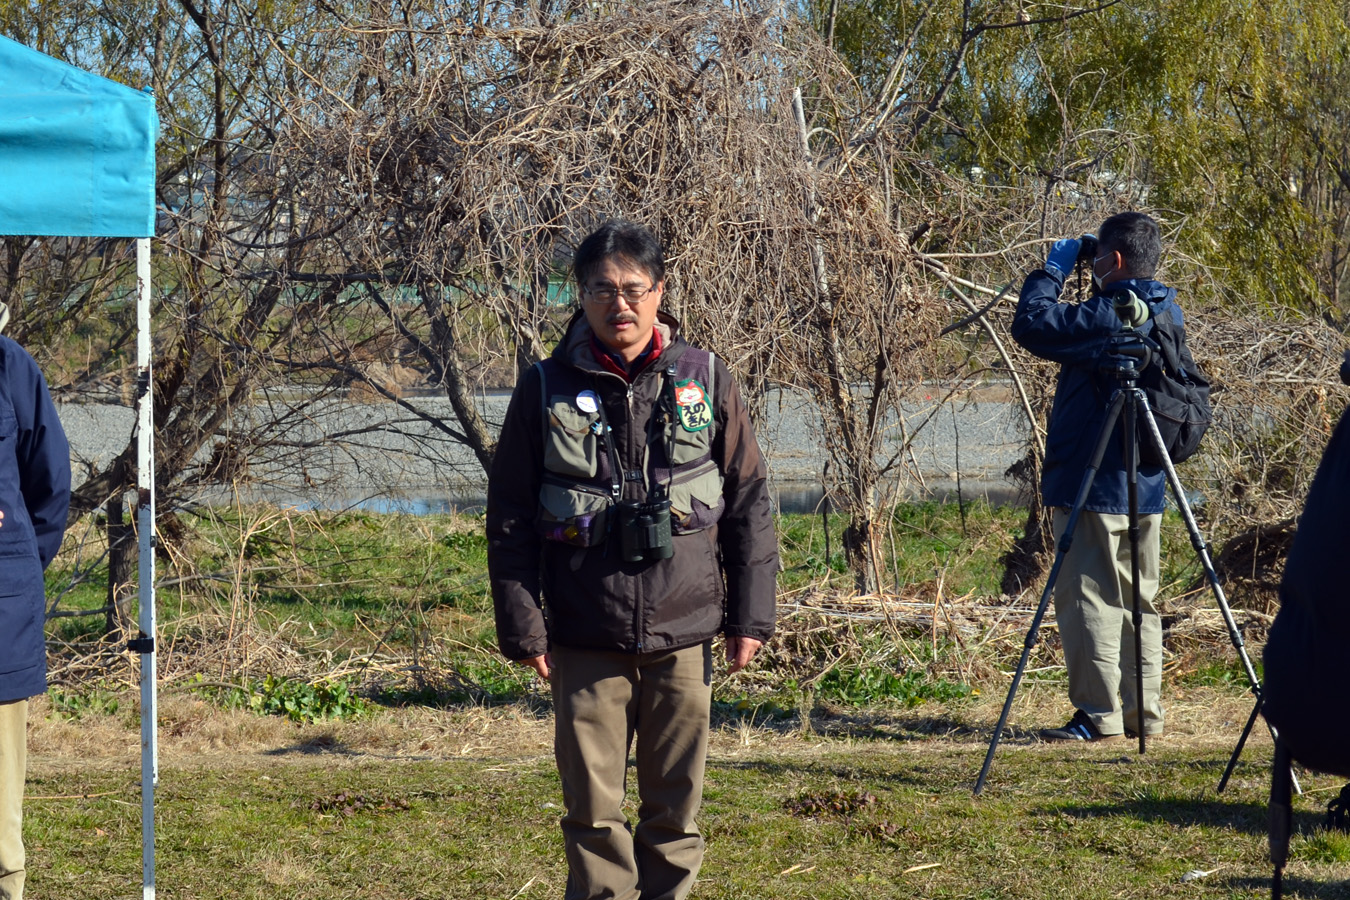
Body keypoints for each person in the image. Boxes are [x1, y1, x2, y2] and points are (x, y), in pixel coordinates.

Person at [487, 220, 778, 900]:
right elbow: (509, 519)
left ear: (659, 293)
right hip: (584, 635)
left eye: (633, 289)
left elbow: (750, 503)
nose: (619, 304)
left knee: (675, 814)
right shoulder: (542, 388)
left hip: (685, 633)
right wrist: (524, 628)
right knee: (593, 816)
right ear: (581, 297)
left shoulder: (705, 377)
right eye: (602, 289)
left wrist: (751, 619)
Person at [1011, 211, 1179, 742]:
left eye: (1100, 257)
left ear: (1116, 261)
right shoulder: (1165, 311)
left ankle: (1098, 715)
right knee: (1139, 601)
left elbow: (1034, 323)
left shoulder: (1111, 312)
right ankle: (1141, 714)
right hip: (1147, 483)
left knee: (1088, 595)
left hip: (1095, 479)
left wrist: (1054, 268)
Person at [0, 310, 72, 900]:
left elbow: (49, 488)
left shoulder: (10, 366)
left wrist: (15, 561)